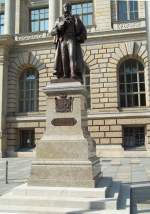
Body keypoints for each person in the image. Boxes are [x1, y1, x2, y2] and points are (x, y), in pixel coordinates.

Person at [51, 2, 87, 81]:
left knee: (72, 56)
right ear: (63, 8)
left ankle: (73, 73)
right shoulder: (59, 19)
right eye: (65, 7)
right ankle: (65, 74)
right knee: (64, 57)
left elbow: (83, 30)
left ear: (70, 8)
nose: (67, 8)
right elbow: (52, 32)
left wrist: (79, 37)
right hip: (63, 40)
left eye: (68, 7)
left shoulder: (75, 18)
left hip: (72, 39)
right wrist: (59, 27)